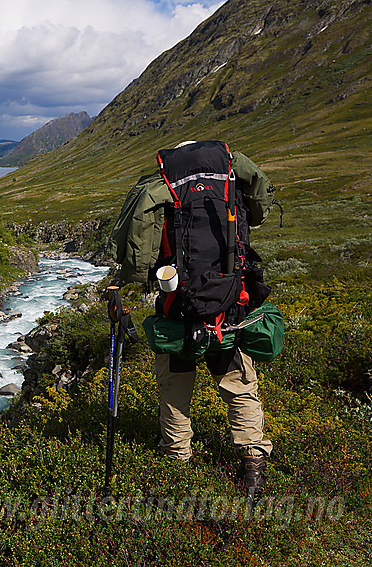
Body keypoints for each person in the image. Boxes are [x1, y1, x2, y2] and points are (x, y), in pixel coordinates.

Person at [107, 140, 277, 494]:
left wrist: (132, 281)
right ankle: (252, 466)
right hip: (232, 303)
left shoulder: (161, 184)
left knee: (174, 389)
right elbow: (261, 204)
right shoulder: (235, 168)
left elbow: (140, 245)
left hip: (180, 306)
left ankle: (176, 459)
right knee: (240, 387)